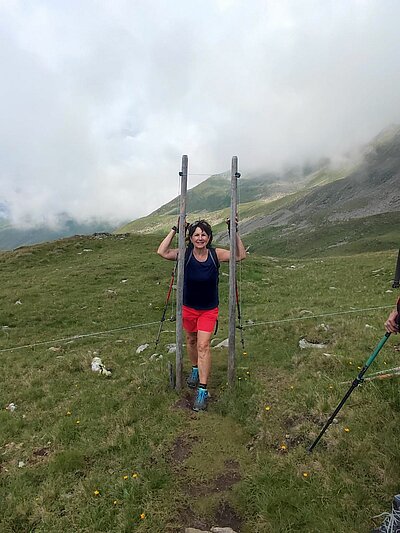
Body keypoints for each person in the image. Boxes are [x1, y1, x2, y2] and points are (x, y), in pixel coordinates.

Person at [157, 219, 246, 411]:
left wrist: (234, 230)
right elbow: (162, 252)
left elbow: (240, 255)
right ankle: (195, 368)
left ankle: (202, 390)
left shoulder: (215, 254)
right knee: (191, 340)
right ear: (190, 237)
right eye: (196, 234)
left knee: (203, 345)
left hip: (208, 309)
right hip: (188, 308)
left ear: (209, 237)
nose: (200, 238)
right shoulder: (185, 254)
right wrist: (175, 229)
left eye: (203, 234)